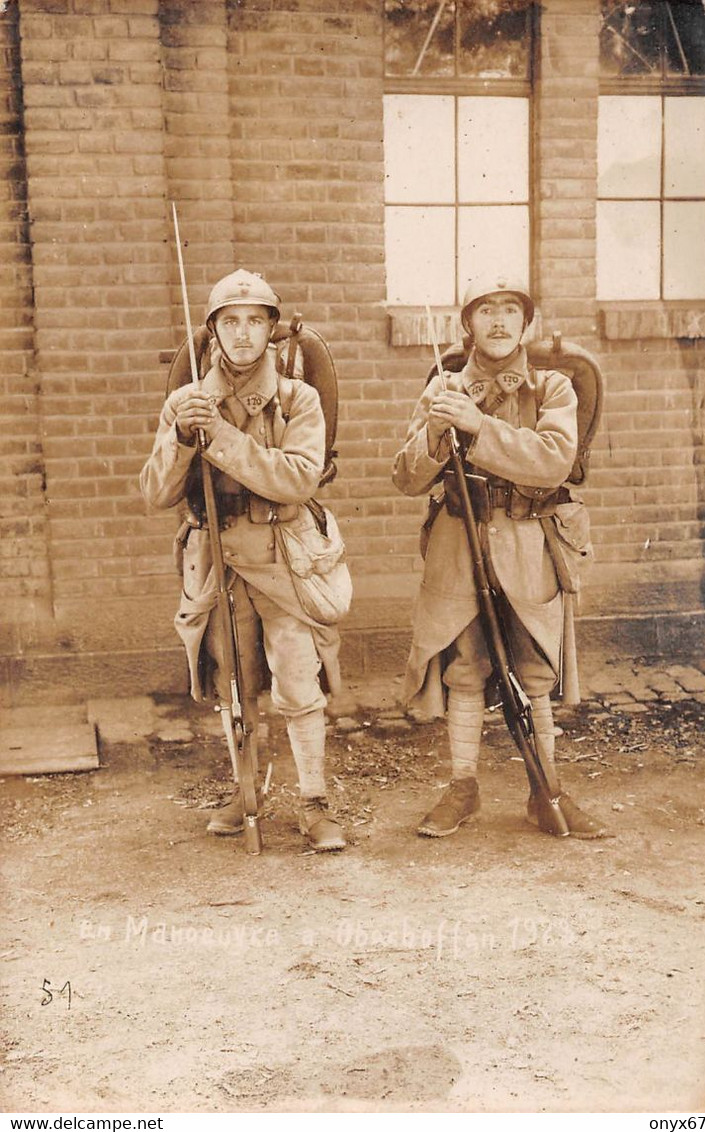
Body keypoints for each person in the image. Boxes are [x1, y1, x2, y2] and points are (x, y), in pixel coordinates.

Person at [392, 273, 609, 840]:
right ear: (468, 323)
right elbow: (406, 478)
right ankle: (463, 787)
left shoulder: (553, 388)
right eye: (485, 310)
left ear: (525, 322)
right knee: (466, 667)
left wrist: (479, 427)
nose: (497, 321)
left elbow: (552, 462)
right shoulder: (444, 388)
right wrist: (438, 432)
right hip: (461, 542)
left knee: (535, 668)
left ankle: (547, 789)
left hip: (528, 540)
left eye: (510, 309)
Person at [140, 268, 347, 851]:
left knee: (298, 678)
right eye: (229, 322)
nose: (243, 334)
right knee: (235, 683)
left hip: (284, 556)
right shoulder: (187, 403)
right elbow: (156, 493)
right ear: (211, 332)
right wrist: (183, 438)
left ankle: (314, 801)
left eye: (256, 321)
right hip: (218, 560)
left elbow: (300, 478)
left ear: (272, 331)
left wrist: (224, 441)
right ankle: (246, 788)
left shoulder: (295, 399)